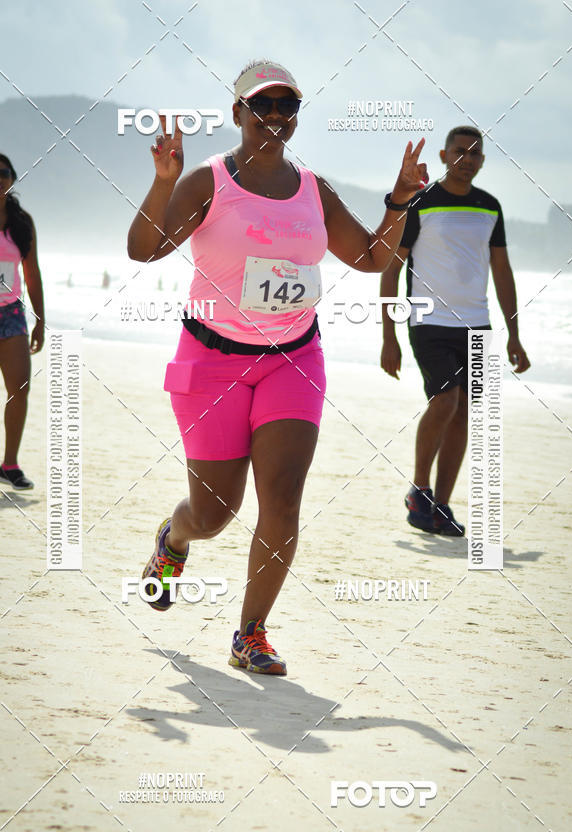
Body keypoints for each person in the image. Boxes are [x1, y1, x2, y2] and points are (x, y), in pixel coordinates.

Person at [128, 59, 427, 675]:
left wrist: (400, 199)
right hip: (211, 360)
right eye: (263, 105)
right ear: (237, 113)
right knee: (214, 513)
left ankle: (250, 634)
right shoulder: (209, 183)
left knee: (283, 500)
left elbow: (371, 256)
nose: (275, 116)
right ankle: (175, 538)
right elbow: (144, 248)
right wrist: (164, 181)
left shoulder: (314, 188)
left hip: (294, 358)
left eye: (287, 106)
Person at [380, 125, 530, 536]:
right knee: (445, 401)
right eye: (460, 152)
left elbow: (502, 271)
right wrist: (388, 336)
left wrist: (514, 334)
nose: (467, 159)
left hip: (477, 323)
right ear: (445, 156)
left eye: (476, 154)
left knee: (465, 414)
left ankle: (441, 507)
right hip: (429, 322)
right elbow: (391, 268)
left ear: (482, 161)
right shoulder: (421, 202)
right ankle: (419, 490)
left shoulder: (490, 207)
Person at [0, 152, 45, 490]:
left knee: (19, 388)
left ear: (12, 178)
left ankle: (10, 465)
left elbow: (32, 273)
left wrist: (40, 320)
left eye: (3, 173)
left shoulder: (22, 222)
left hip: (10, 313)